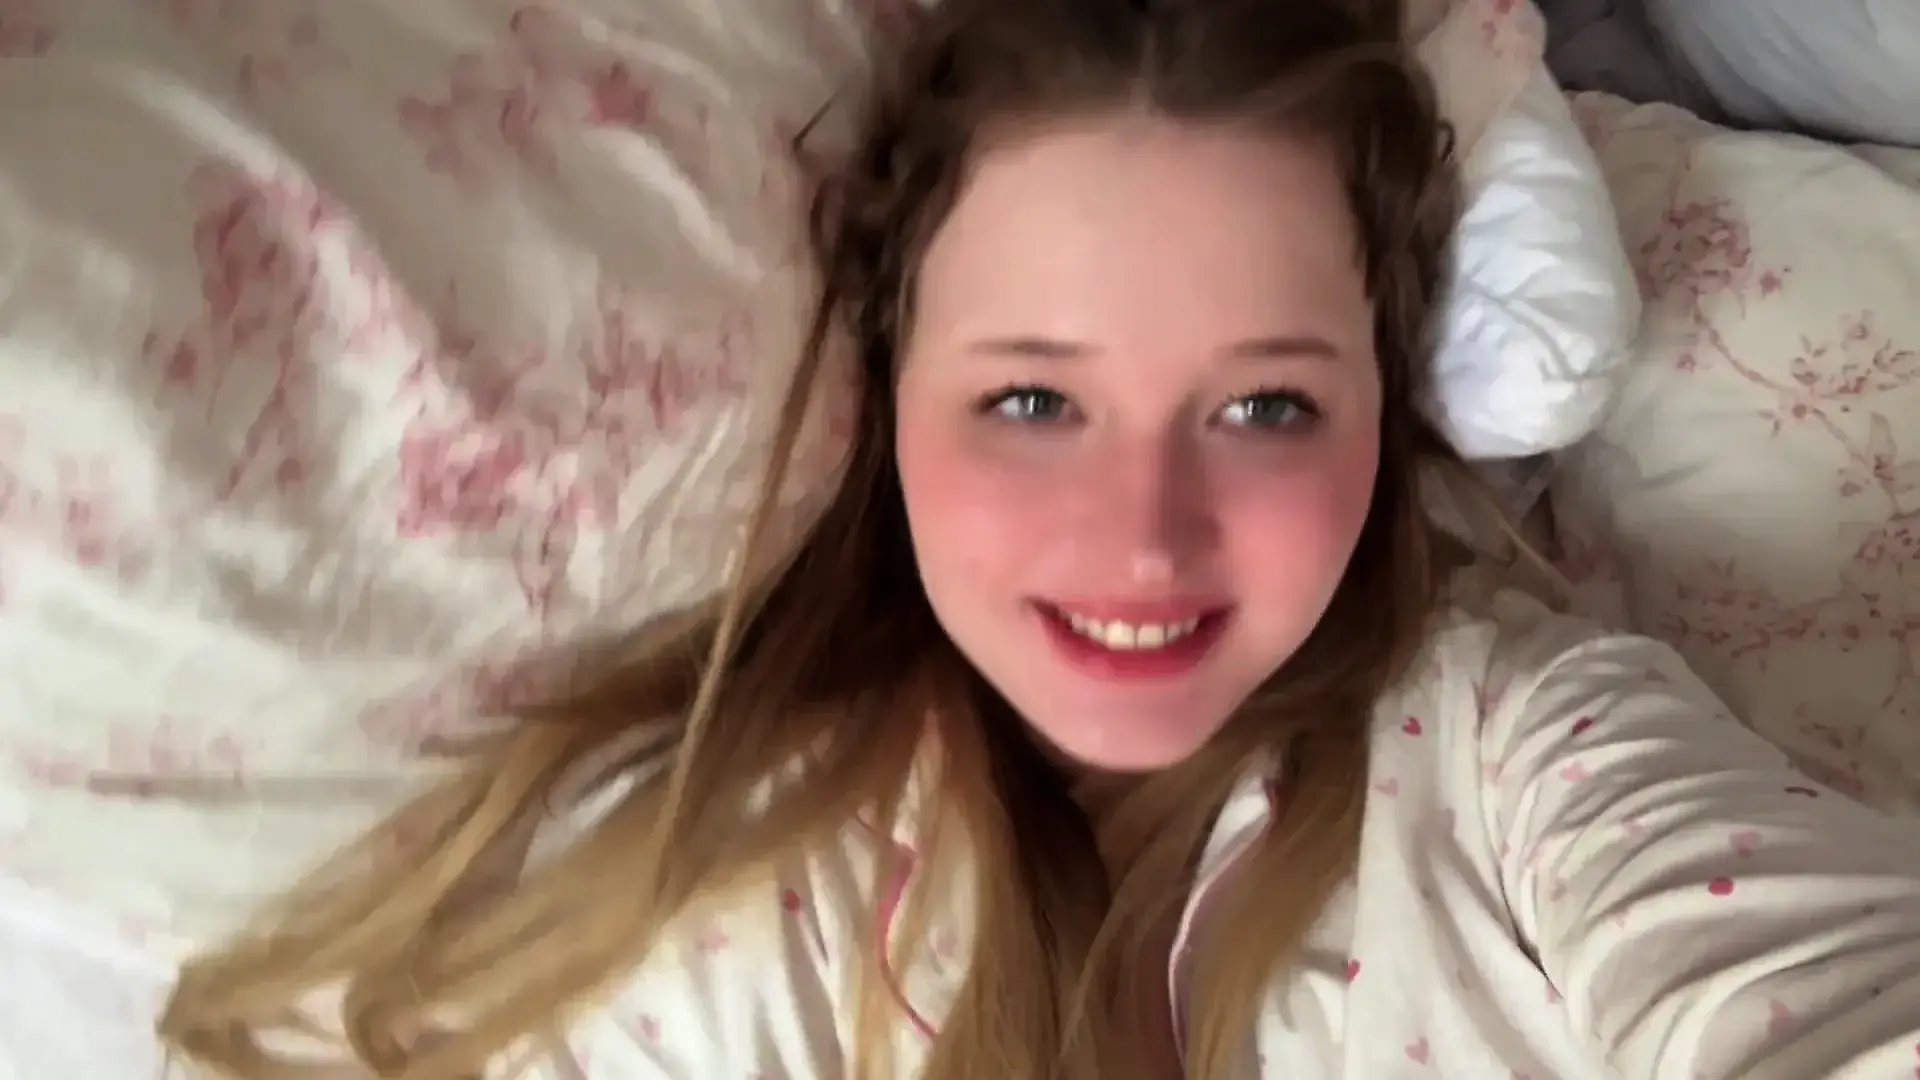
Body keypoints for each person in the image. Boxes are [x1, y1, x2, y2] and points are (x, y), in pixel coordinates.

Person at [158, 0, 1920, 1077]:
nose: (1145, 538)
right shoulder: (718, 879)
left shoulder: (1528, 763)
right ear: (885, 390)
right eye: (1032, 399)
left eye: (1265, 406)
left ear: (1387, 416)